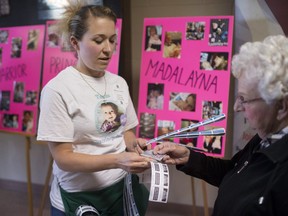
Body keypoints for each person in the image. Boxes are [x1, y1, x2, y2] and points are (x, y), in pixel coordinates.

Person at [37, 2, 151, 216]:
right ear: (75, 43)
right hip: (78, 196)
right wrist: (117, 160)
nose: (107, 49)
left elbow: (124, 131)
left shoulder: (119, 83)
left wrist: (135, 146)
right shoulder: (58, 89)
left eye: (112, 40)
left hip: (120, 189)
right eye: (98, 40)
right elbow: (63, 157)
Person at [154, 35, 288, 215]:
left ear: (281, 106)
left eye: (244, 99)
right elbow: (234, 172)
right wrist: (189, 157)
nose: (236, 107)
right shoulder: (266, 138)